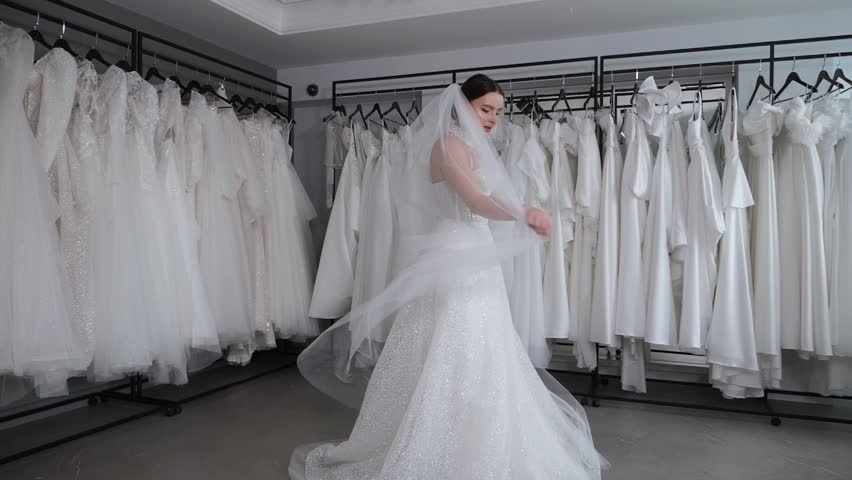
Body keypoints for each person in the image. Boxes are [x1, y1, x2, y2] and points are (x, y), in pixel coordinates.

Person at [289, 74, 606, 479]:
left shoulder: (473, 146)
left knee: (485, 346)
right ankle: (440, 442)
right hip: (454, 256)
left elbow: (483, 200)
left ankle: (480, 441)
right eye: (485, 109)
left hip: (475, 256)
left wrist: (519, 211)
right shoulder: (449, 144)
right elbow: (475, 199)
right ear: (462, 106)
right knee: (453, 345)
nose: (492, 118)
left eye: (498, 112)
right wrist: (523, 213)